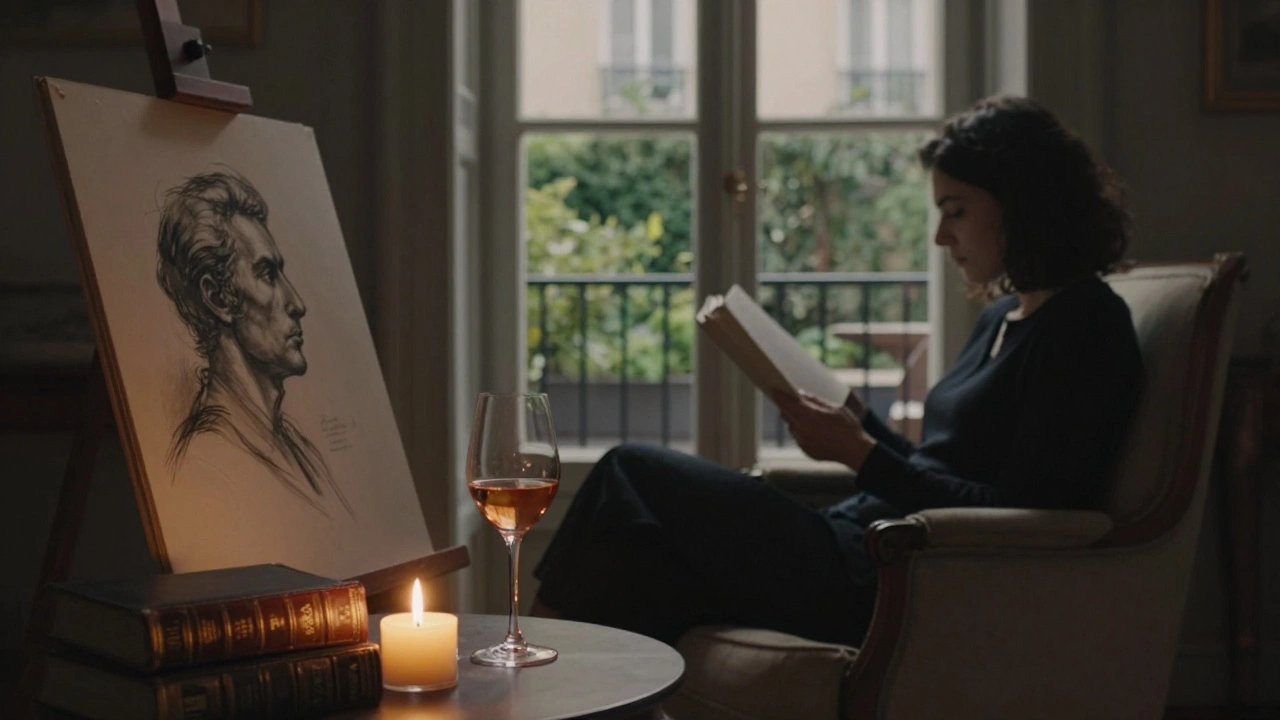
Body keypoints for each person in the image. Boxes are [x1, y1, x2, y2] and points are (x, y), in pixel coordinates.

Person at [530, 95, 1144, 648]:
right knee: (638, 566)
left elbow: (1023, 511)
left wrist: (860, 455)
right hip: (858, 535)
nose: (939, 236)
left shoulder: (1086, 326)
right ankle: (546, 689)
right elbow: (941, 465)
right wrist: (859, 423)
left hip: (888, 573)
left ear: (1022, 204)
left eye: (955, 211)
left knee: (630, 469)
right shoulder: (1003, 317)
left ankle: (524, 679)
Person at [156, 169, 353, 519]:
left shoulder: (297, 448)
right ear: (218, 297)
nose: (297, 303)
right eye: (267, 274)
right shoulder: (210, 459)